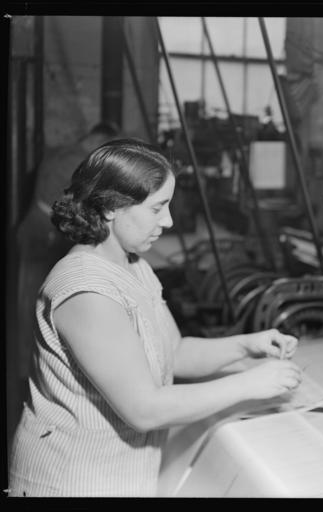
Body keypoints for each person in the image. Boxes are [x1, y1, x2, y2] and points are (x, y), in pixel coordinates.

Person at [8, 139, 303, 497]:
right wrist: (249, 384)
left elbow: (175, 352)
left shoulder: (134, 266)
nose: (168, 220)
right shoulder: (86, 291)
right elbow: (144, 409)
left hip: (122, 473)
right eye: (157, 208)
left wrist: (246, 346)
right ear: (111, 208)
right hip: (72, 479)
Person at [9, 122, 122, 443]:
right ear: (98, 138)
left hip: (36, 226)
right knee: (37, 301)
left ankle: (28, 365)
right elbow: (83, 204)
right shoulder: (75, 160)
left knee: (30, 299)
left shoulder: (61, 151)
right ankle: (30, 369)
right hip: (42, 231)